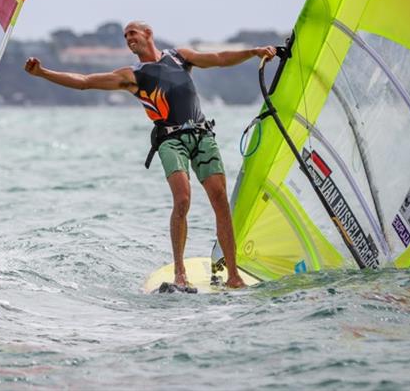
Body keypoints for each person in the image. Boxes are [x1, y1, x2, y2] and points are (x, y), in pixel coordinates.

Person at [24, 20, 276, 289]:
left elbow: (217, 58)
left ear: (148, 34)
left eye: (132, 33)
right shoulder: (133, 75)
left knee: (220, 201)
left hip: (202, 136)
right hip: (171, 140)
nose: (128, 38)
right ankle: (180, 273)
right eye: (124, 36)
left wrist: (254, 52)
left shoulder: (179, 57)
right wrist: (43, 73)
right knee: (182, 200)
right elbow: (85, 82)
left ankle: (234, 276)